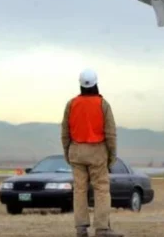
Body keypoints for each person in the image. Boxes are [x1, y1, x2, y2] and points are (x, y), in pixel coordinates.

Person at [61, 69, 122, 237]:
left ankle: (81, 228)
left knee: (79, 190)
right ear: (96, 83)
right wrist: (112, 154)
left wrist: (67, 151)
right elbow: (110, 133)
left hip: (76, 151)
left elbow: (65, 132)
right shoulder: (103, 104)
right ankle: (102, 228)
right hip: (97, 152)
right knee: (101, 189)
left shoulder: (71, 104)